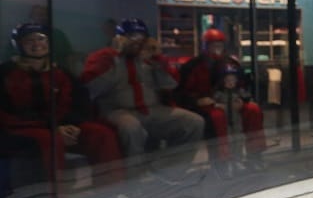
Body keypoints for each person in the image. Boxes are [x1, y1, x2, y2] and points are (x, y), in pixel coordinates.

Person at [0, 23, 122, 177]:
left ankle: (111, 186)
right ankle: (55, 195)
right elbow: (9, 113)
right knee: (49, 141)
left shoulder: (60, 72)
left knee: (101, 134)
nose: (37, 44)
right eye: (29, 41)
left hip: (61, 126)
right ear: (18, 45)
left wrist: (73, 125)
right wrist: (54, 128)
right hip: (21, 130)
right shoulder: (6, 73)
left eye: (41, 39)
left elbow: (79, 102)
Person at [81, 18, 204, 163]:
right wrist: (116, 57)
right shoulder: (103, 56)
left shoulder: (148, 58)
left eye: (141, 37)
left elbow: (170, 85)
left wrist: (158, 59)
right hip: (116, 110)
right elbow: (92, 88)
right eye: (132, 36)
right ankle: (136, 175)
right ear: (120, 38)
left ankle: (174, 169)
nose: (137, 41)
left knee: (194, 122)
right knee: (131, 127)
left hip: (151, 109)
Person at [176, 29, 267, 169]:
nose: (216, 48)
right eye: (213, 45)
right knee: (217, 116)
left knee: (253, 110)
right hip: (207, 104)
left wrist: (243, 99)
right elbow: (182, 92)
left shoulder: (232, 63)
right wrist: (196, 101)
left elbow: (243, 85)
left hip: (232, 99)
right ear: (205, 46)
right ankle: (221, 161)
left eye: (219, 44)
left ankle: (255, 155)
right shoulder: (193, 66)